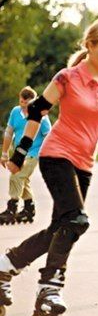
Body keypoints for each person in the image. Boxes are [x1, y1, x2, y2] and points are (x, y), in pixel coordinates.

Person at [0, 19, 98, 316]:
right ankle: (50, 287)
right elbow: (37, 110)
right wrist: (18, 153)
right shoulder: (67, 78)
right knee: (77, 220)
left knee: (62, 226)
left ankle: (5, 266)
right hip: (56, 155)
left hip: (84, 162)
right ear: (91, 46)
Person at [0, 87, 51, 225]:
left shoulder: (42, 117)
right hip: (19, 153)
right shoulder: (15, 112)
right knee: (24, 179)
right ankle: (29, 209)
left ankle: (12, 208)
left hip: (34, 153)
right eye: (21, 103)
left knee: (16, 175)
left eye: (26, 104)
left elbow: (48, 137)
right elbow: (9, 133)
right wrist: (4, 154)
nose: (23, 108)